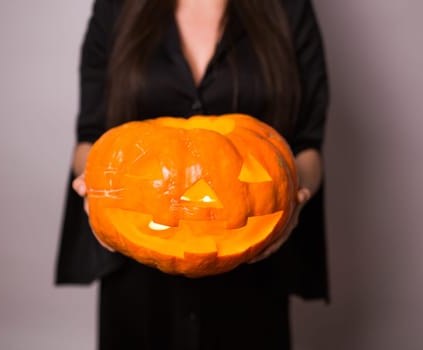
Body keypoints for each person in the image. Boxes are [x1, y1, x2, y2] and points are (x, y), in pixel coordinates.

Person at [56, 0, 329, 349]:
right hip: (135, 286)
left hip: (254, 285)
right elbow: (89, 140)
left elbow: (308, 147)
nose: (196, 198)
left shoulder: (288, 9)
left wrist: (295, 195)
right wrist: (92, 180)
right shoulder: (116, 7)